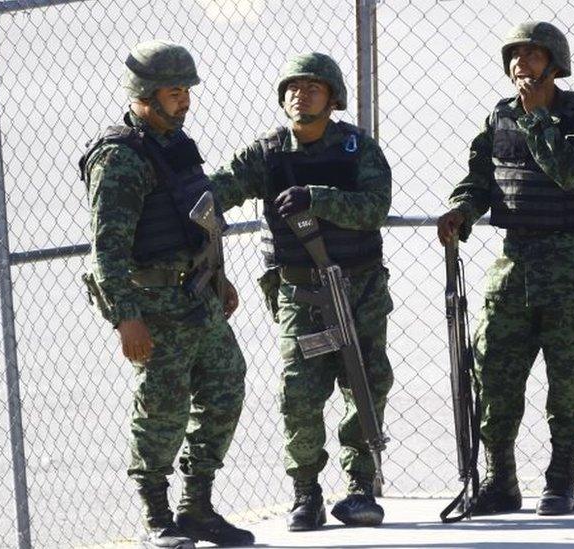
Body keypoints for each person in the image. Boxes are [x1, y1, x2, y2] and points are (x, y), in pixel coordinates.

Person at [204, 52, 394, 531]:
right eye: (292, 87)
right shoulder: (267, 153)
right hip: (302, 295)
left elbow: (375, 207)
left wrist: (318, 198)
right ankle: (306, 493)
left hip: (361, 287)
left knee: (365, 386)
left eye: (312, 87)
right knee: (298, 395)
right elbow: (219, 190)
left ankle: (360, 488)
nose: (300, 95)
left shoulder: (357, 148)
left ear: (332, 98)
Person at [80, 39, 254, 548]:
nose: (185, 101)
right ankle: (158, 516)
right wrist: (125, 318)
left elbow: (195, 217)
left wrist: (217, 277)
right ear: (147, 93)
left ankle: (197, 505)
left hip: (196, 296)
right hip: (153, 307)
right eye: (175, 92)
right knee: (162, 408)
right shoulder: (118, 160)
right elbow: (107, 249)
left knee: (226, 386)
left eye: (186, 92)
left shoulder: (175, 144)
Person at [437, 21, 574, 517]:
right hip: (514, 264)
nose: (521, 65)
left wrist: (537, 119)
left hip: (570, 264)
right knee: (493, 373)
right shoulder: (500, 117)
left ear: (554, 63)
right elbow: (479, 181)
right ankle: (499, 481)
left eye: (532, 56)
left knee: (568, 380)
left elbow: (569, 171)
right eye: (515, 56)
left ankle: (561, 480)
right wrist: (460, 211)